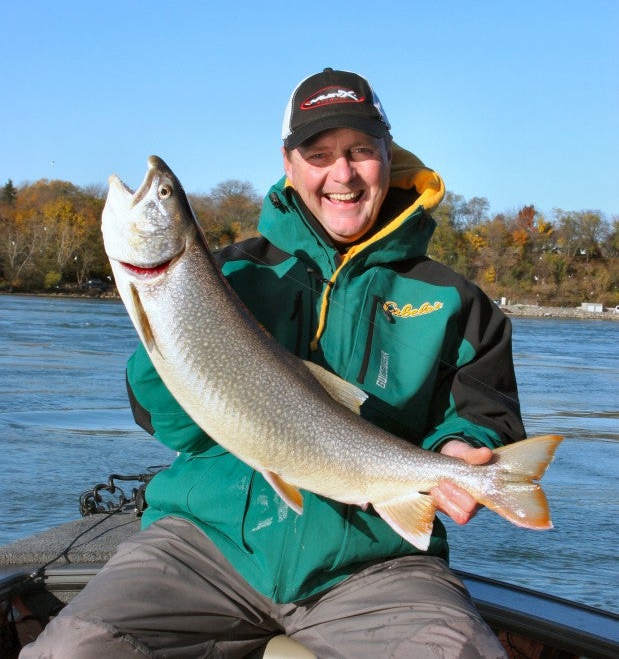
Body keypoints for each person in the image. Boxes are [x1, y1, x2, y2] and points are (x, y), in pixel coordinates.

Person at [23, 68, 523, 658]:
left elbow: (482, 417)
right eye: (320, 154)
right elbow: (166, 423)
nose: (343, 173)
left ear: (389, 157)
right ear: (289, 165)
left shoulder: (457, 302)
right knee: (72, 650)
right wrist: (178, 332)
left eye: (361, 150)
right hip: (205, 543)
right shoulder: (228, 275)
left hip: (375, 561)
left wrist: (460, 456)